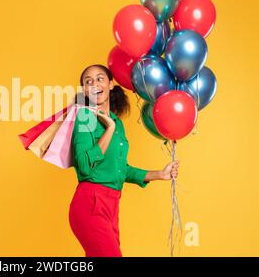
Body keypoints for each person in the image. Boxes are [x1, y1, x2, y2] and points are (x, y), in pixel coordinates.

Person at [69, 64, 179, 257]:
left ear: (111, 84)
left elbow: (121, 169)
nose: (94, 84)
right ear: (85, 91)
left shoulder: (117, 122)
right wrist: (108, 129)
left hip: (112, 206)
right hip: (91, 203)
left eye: (100, 78)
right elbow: (85, 166)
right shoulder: (85, 118)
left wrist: (160, 174)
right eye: (88, 81)